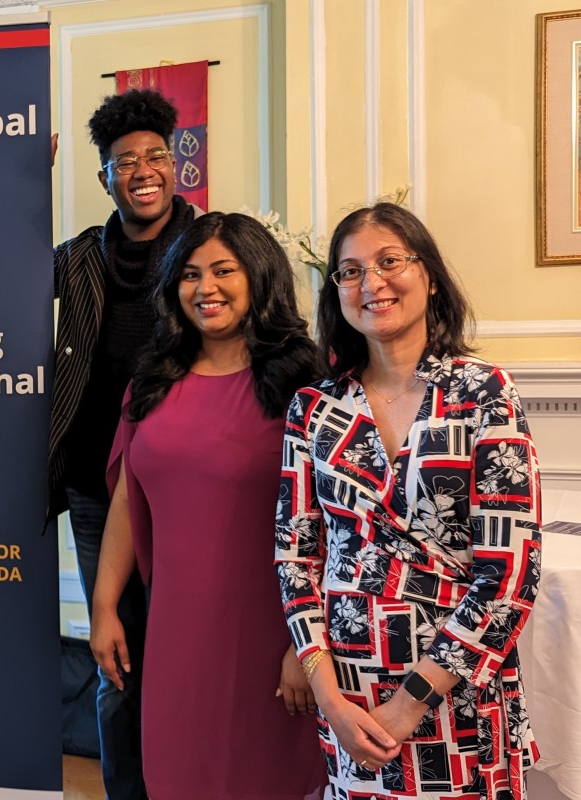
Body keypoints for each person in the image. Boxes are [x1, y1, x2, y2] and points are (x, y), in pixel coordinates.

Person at [275, 203, 541, 798]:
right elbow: (296, 556)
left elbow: (510, 574)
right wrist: (326, 693)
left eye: (389, 261)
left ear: (428, 275)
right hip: (349, 698)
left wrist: (409, 704)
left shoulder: (483, 393)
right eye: (349, 271)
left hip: (456, 697)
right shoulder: (314, 409)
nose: (372, 283)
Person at [88, 213, 326, 799]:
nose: (205, 288)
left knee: (266, 778)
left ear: (260, 276)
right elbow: (128, 495)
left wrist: (307, 647)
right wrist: (104, 605)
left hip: (275, 633)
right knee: (178, 774)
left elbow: (338, 525)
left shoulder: (308, 382)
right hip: (175, 635)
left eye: (224, 270)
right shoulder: (151, 380)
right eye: (189, 275)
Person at [48, 88, 199, 800]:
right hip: (96, 488)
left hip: (188, 485)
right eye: (124, 161)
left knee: (191, 648)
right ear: (105, 177)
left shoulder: (212, 248)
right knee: (118, 654)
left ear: (176, 166)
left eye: (156, 156)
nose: (143, 170)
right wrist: (17, 189)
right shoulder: (79, 257)